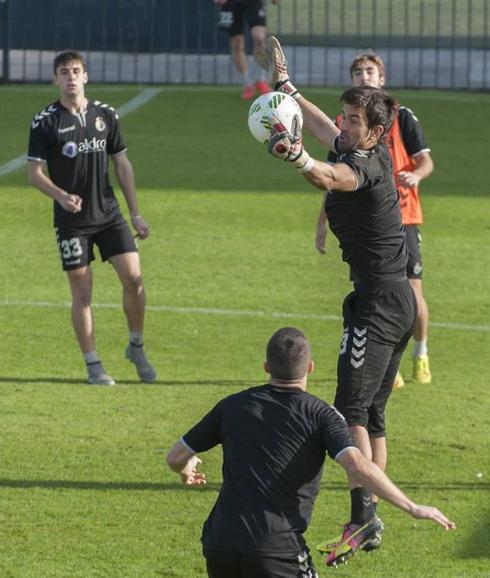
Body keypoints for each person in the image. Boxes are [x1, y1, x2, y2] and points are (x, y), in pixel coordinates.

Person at [260, 36, 424, 564]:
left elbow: (330, 175)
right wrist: (288, 91)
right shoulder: (357, 142)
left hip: (378, 302)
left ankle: (363, 517)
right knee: (372, 413)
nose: (343, 124)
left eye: (353, 120)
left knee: (348, 408)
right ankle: (367, 514)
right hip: (393, 299)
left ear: (375, 131)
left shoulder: (368, 167)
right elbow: (324, 131)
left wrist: (295, 154)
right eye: (345, 116)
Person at [167, 327, 455, 575]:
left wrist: (186, 469)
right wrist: (413, 507)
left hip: (219, 545)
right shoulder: (321, 415)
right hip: (277, 550)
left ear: (266, 366)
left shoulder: (232, 405)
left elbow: (175, 457)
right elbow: (357, 466)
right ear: (310, 368)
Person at [27, 49, 156, 386]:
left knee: (134, 279)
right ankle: (93, 364)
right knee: (82, 294)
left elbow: (122, 164)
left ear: (85, 76)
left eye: (75, 71)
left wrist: (136, 214)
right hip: (72, 223)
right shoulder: (45, 122)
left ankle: (136, 346)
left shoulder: (105, 115)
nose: (70, 77)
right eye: (64, 72)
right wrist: (61, 196)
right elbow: (34, 172)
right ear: (55, 79)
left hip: (109, 214)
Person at [315, 52, 433, 389]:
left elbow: (425, 161)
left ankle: (420, 352)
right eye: (358, 71)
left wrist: (415, 176)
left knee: (411, 291)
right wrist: (322, 220)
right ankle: (387, 362)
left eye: (370, 71)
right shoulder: (348, 126)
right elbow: (333, 176)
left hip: (403, 215)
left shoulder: (401, 117)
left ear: (382, 79)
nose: (364, 76)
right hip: (366, 217)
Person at [214, 0, 280, 100]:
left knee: (259, 38)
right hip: (230, 4)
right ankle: (248, 84)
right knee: (237, 43)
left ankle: (261, 80)